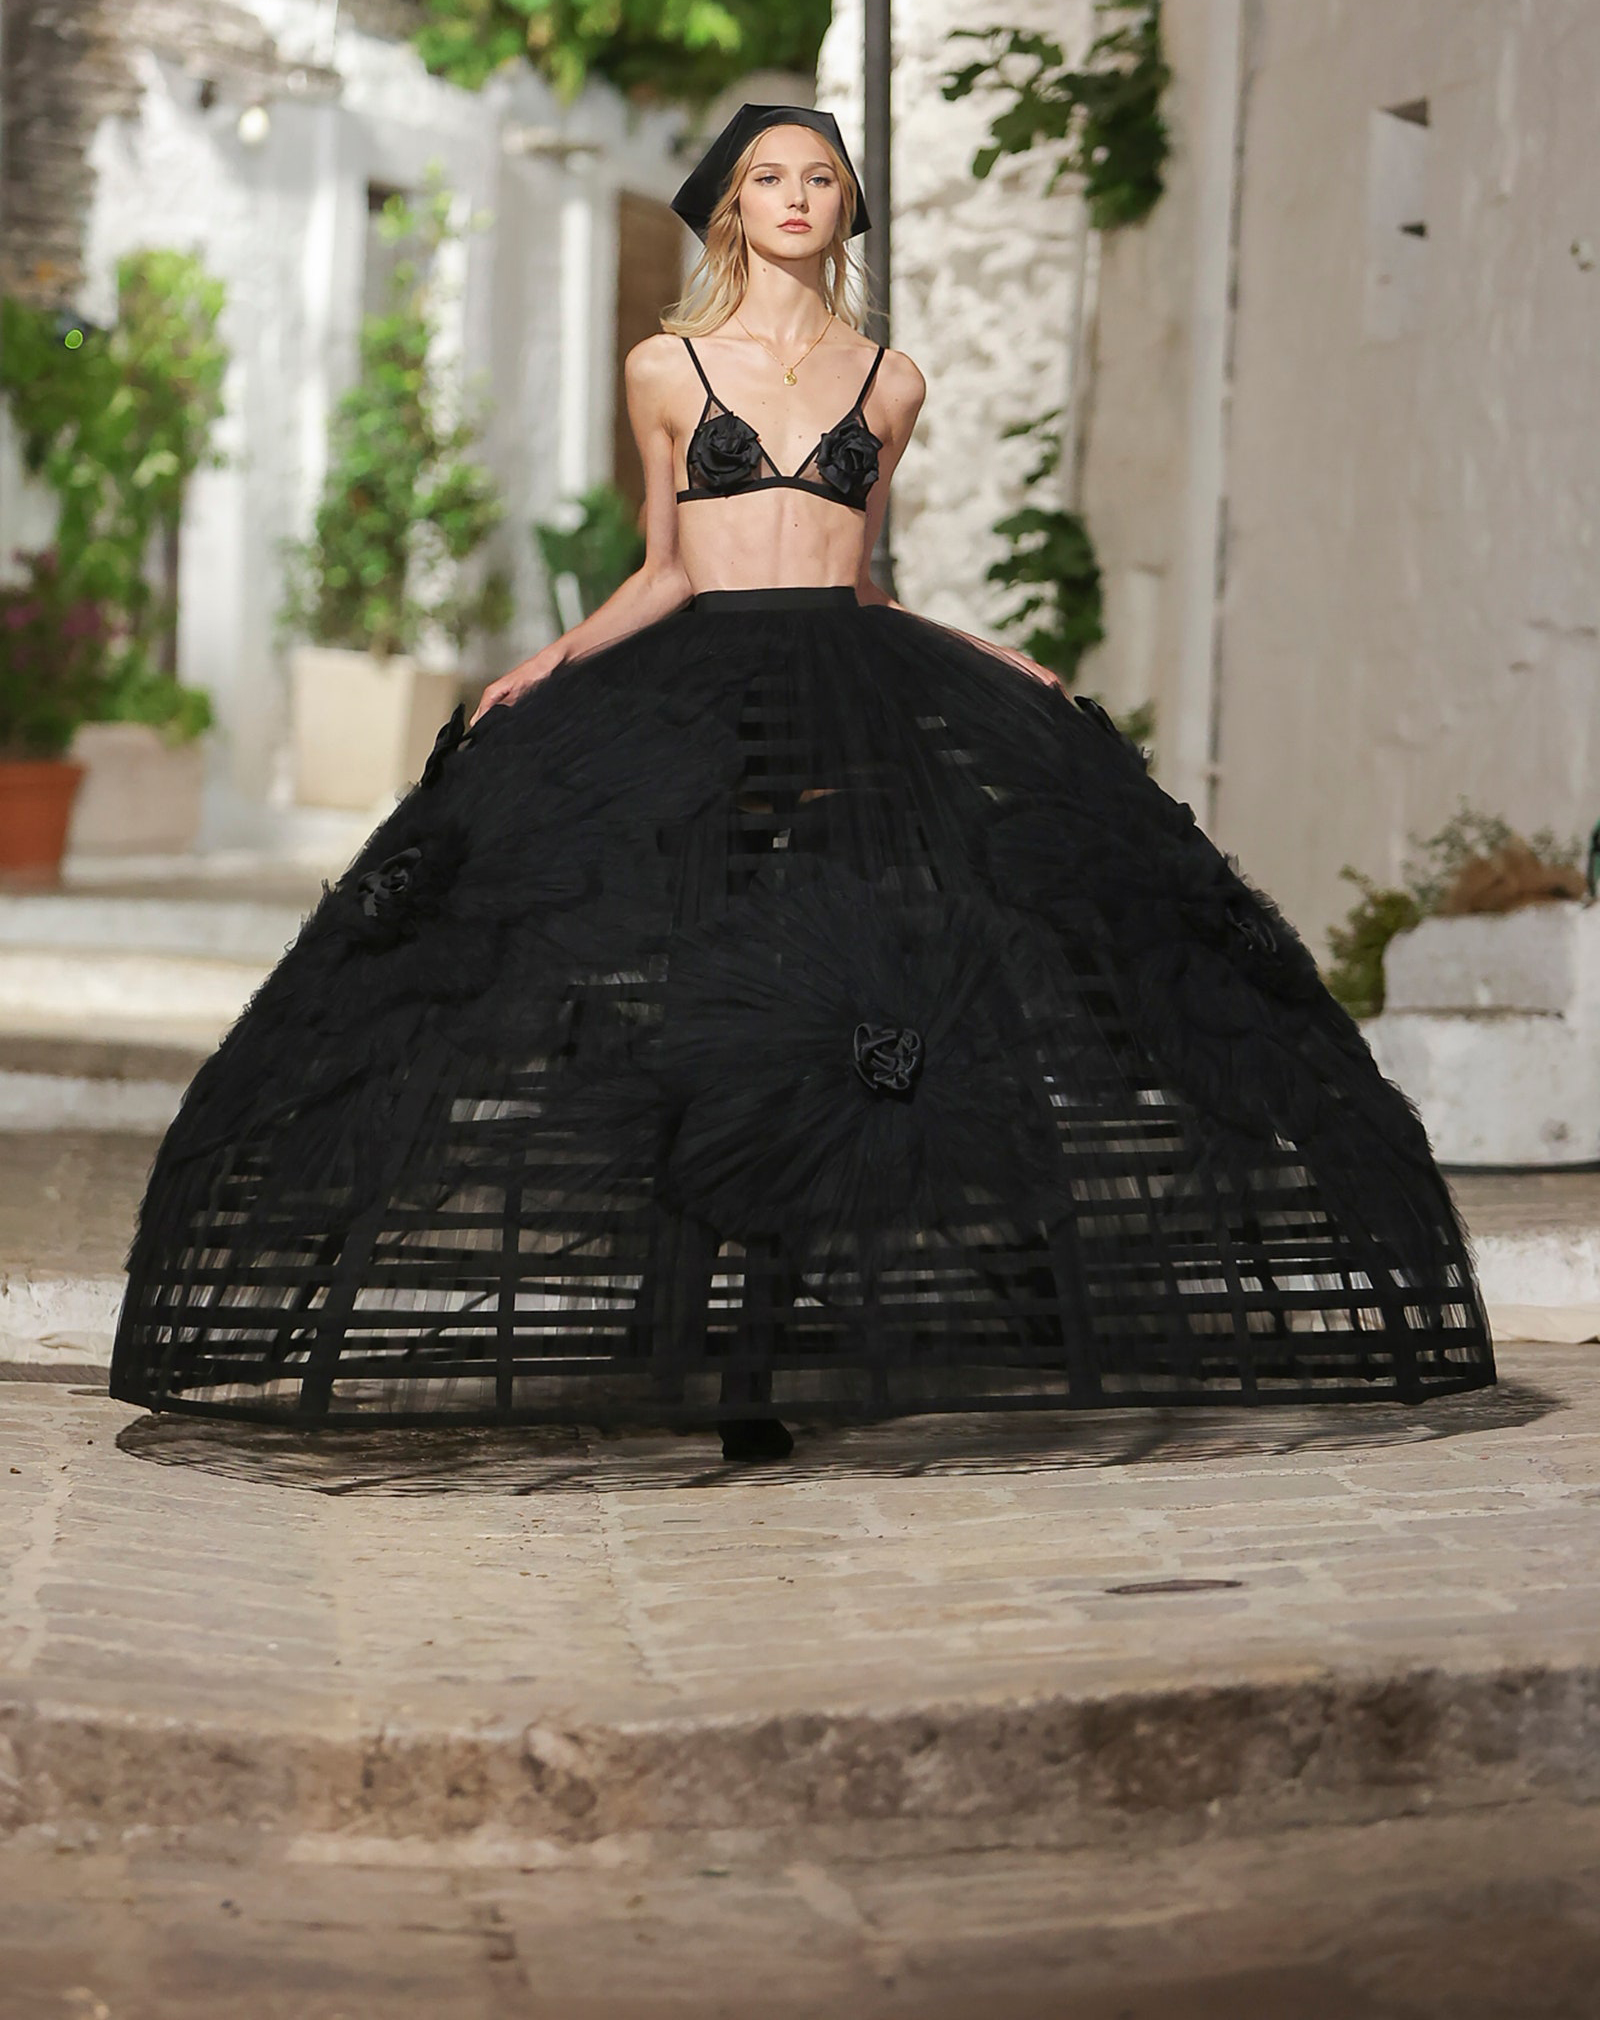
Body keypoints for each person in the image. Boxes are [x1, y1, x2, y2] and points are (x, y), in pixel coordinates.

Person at [111, 105, 1494, 1459]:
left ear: (844, 208)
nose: (793, 196)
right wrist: (536, 671)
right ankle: (692, 1333)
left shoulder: (891, 380)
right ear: (734, 205)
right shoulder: (666, 366)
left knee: (842, 1003)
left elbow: (866, 578)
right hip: (696, 707)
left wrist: (1002, 663)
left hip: (850, 703)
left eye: (819, 178)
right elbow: (665, 569)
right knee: (698, 1000)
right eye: (769, 176)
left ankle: (766, 1350)